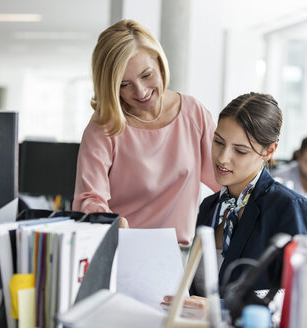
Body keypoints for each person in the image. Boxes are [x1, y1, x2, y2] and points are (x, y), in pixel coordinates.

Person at [162, 93, 307, 309]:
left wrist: (219, 308)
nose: (222, 158)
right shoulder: (210, 207)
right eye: (218, 142)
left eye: (240, 150)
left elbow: (301, 297)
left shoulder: (289, 208)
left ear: (269, 150)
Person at [72, 19, 220, 244]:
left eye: (146, 75)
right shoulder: (104, 127)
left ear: (160, 64)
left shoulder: (193, 113)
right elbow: (89, 199)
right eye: (124, 84)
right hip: (124, 251)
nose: (140, 92)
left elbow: (224, 178)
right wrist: (110, 221)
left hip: (181, 257)